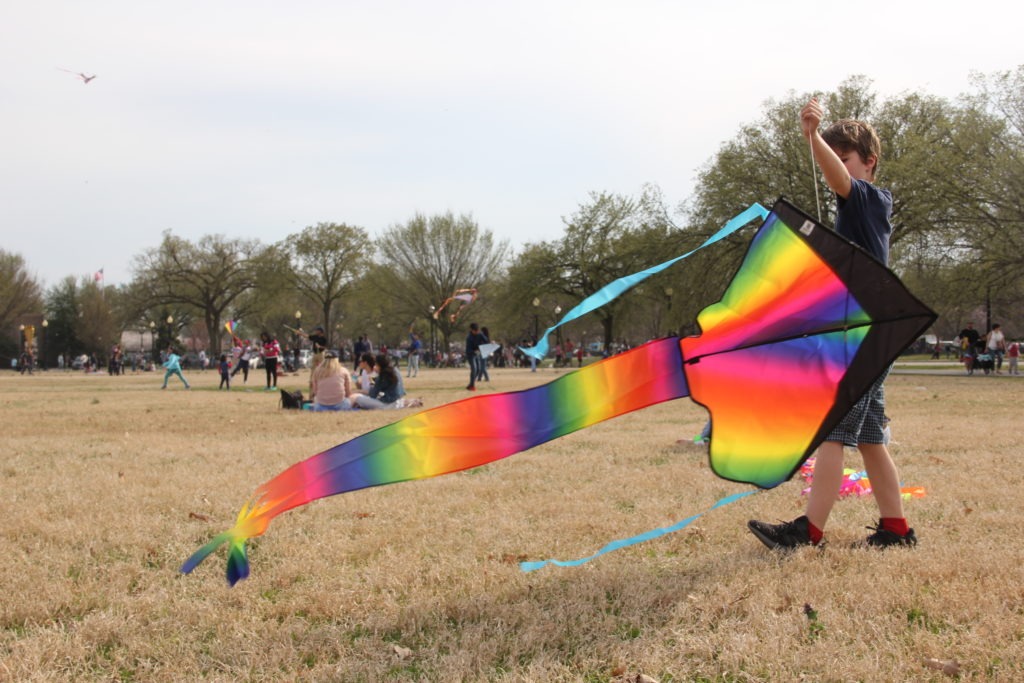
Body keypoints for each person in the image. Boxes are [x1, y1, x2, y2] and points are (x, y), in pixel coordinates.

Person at [748, 98, 916, 550]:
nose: (835, 168)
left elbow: (838, 181)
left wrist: (812, 137)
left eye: (845, 158)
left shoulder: (868, 199)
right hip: (871, 330)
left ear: (869, 162)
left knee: (834, 430)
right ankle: (896, 530)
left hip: (871, 332)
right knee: (869, 437)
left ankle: (808, 532)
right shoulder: (857, 214)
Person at [465, 322, 485, 391]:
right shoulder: (469, 338)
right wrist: (474, 351)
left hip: (477, 354)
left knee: (479, 369)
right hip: (470, 355)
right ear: (472, 330)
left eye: (477, 330)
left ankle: (471, 383)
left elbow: (486, 340)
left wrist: (490, 343)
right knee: (474, 369)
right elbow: (468, 349)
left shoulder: (480, 334)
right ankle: (472, 386)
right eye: (475, 331)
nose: (477, 332)